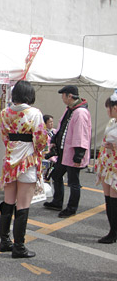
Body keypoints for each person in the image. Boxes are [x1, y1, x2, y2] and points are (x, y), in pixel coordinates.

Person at [0, 80, 47, 259]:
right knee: (23, 205)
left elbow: (4, 136)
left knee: (8, 202)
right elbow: (41, 140)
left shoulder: (5, 113)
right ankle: (19, 247)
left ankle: (4, 241)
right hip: (27, 161)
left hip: (9, 159)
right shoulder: (34, 113)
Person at [43, 85, 91, 218]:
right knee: (56, 176)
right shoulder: (71, 109)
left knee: (73, 182)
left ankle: (71, 208)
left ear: (69, 96)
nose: (62, 98)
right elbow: (62, 127)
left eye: (63, 95)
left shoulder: (80, 112)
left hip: (73, 153)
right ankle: (57, 202)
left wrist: (78, 155)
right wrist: (54, 138)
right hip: (65, 152)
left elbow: (81, 135)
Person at [95, 92, 117, 244]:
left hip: (114, 165)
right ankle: (112, 230)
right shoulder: (112, 122)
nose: (107, 111)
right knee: (109, 199)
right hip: (108, 164)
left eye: (109, 108)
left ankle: (114, 232)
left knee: (114, 199)